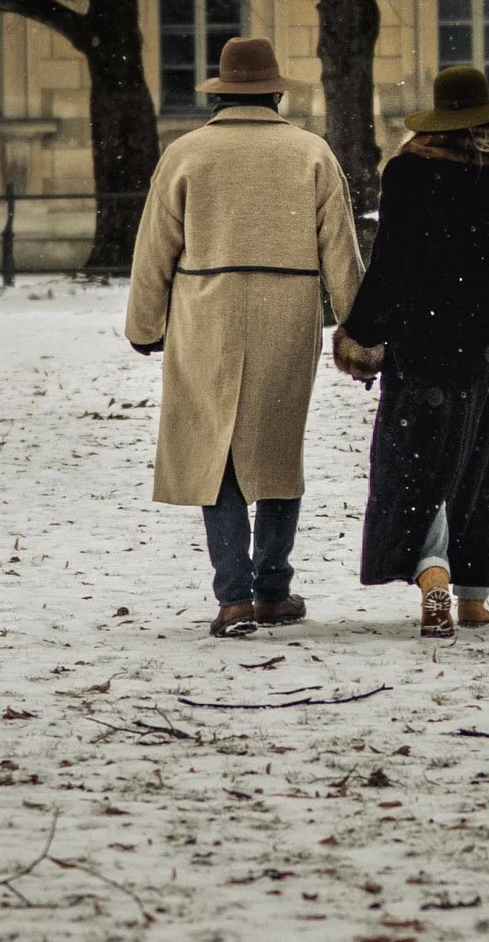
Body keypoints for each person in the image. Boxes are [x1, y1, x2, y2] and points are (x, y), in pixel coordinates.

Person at [126, 37, 363, 638]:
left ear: (221, 92)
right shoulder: (310, 152)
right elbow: (341, 252)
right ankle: (273, 588)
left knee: (217, 448)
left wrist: (144, 325)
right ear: (277, 92)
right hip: (288, 310)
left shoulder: (187, 153)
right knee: (278, 448)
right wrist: (358, 334)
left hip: (206, 311)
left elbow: (155, 248)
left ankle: (233, 596)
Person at [333, 65, 489, 638]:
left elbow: (392, 266)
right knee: (480, 457)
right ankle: (475, 596)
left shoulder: (408, 175)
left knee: (418, 457)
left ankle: (432, 573)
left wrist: (359, 330)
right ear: (488, 120)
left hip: (423, 334)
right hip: (488, 340)